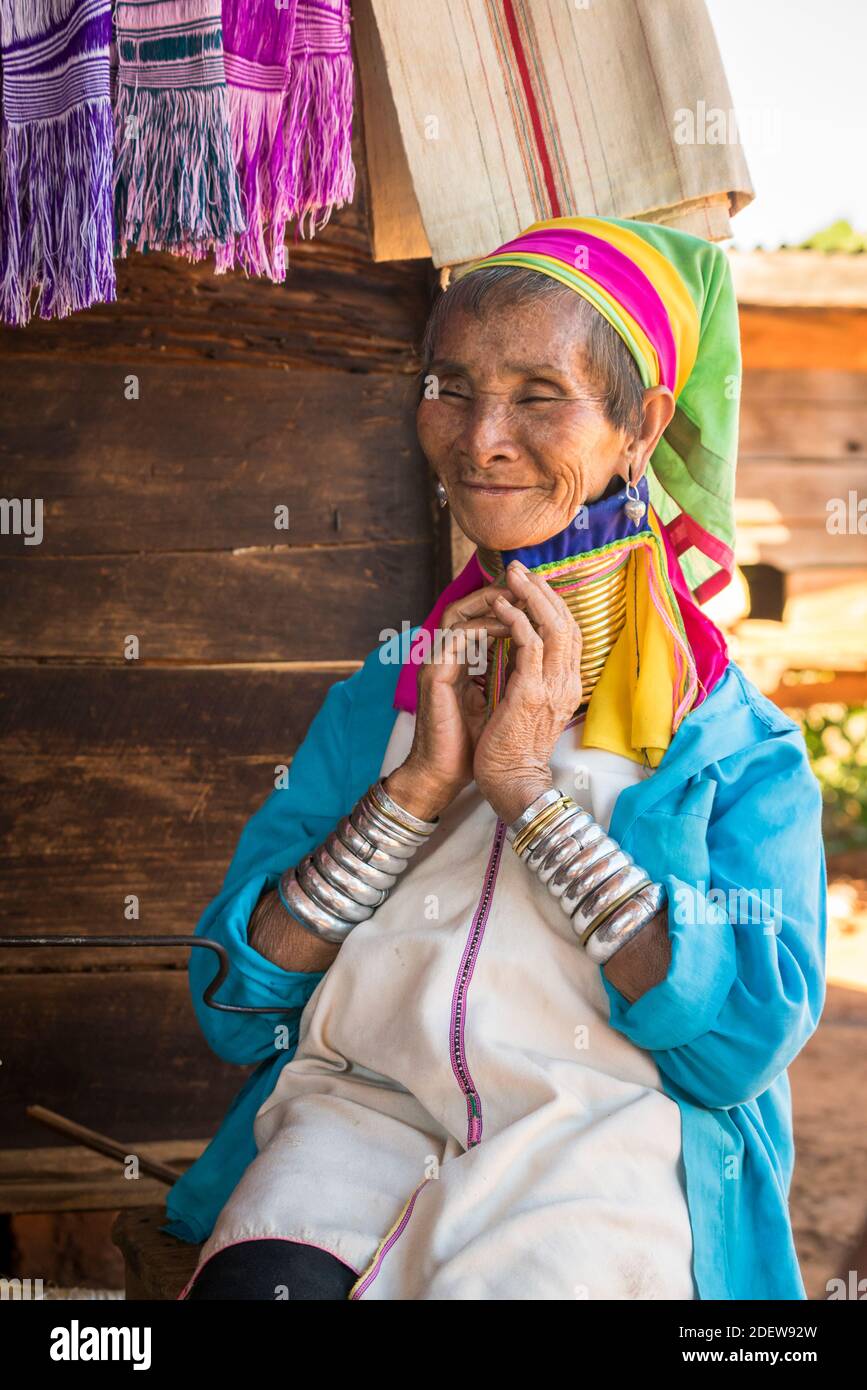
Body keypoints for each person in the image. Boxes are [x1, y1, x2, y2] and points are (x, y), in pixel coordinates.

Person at [167, 216, 827, 1301]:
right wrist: (420, 787)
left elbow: (733, 1051)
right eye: (450, 385)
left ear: (640, 426)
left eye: (536, 393)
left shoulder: (734, 750)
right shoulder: (380, 699)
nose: (480, 438)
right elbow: (236, 1007)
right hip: (353, 1121)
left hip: (601, 1148)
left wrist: (530, 797)